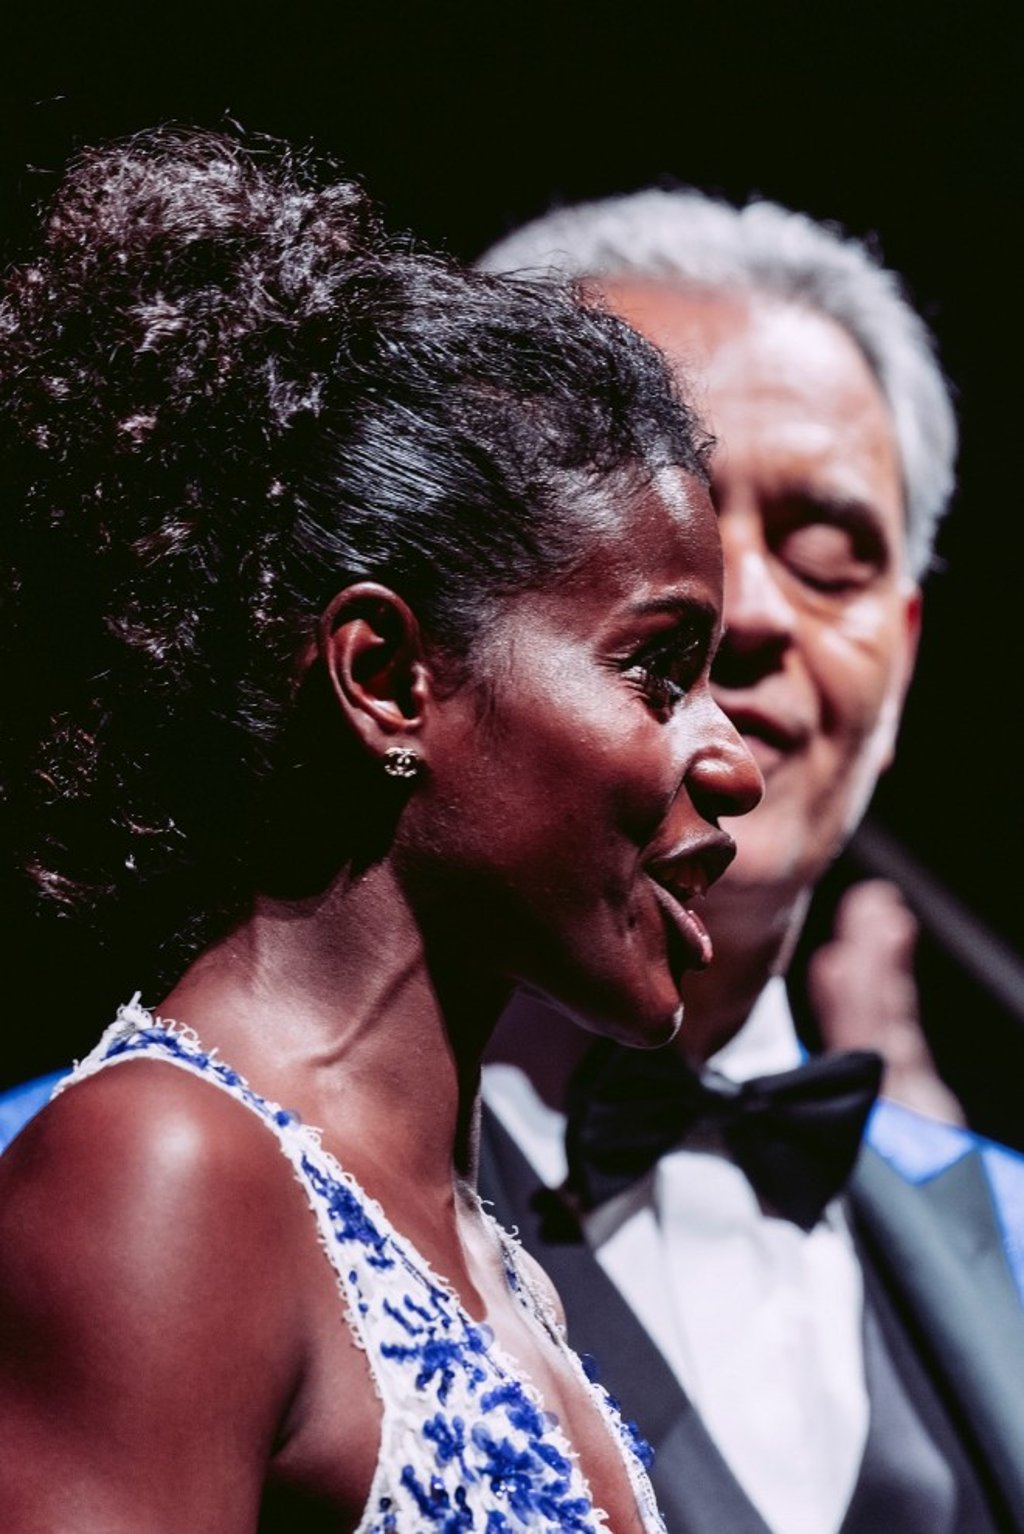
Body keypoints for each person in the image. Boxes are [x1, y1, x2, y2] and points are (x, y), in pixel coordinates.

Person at [0, 133, 764, 1531]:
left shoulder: (495, 1260)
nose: (734, 762)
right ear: (389, 678)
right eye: (657, 671)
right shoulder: (165, 1171)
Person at [477, 191, 1024, 1534]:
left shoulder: (1011, 1228)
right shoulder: (112, 1177)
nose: (756, 609)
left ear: (903, 646)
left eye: (829, 557)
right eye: (667, 522)